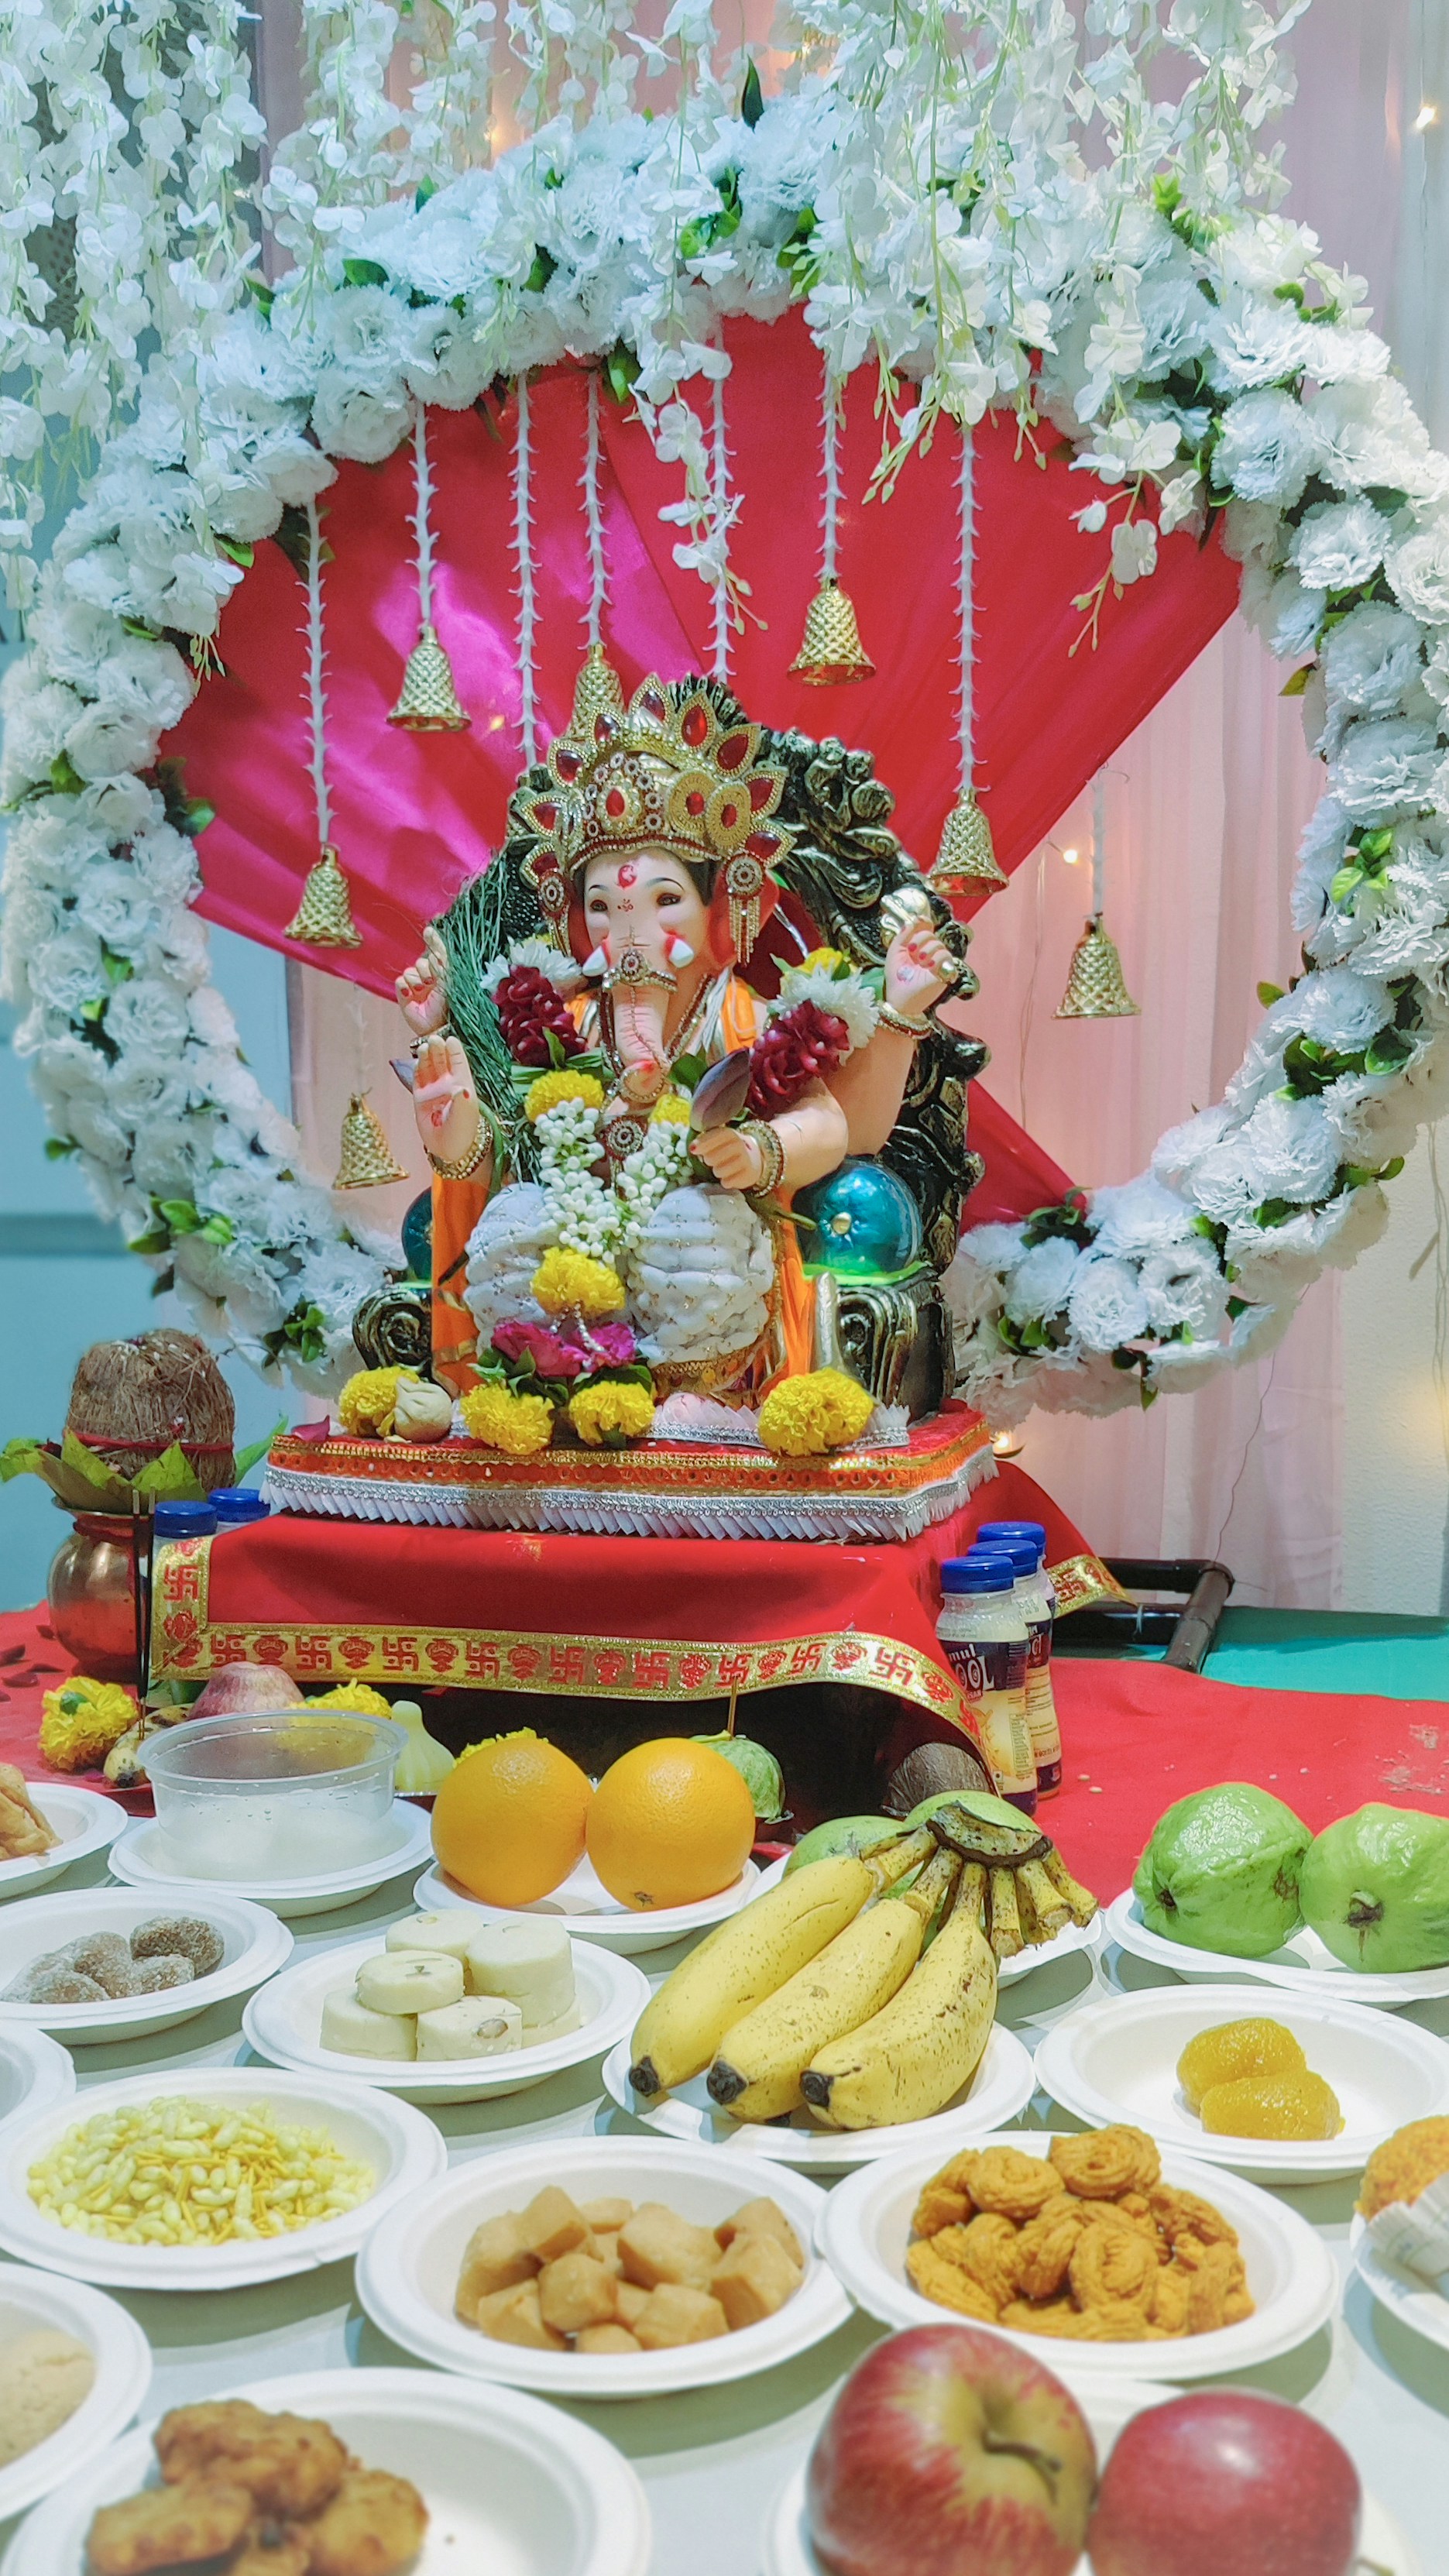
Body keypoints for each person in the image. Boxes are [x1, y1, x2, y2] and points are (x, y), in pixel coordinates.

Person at [396, 659, 958, 1395]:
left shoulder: (739, 1020)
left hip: (704, 1277)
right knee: (517, 1222)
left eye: (662, 899)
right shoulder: (562, 1022)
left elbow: (829, 1126)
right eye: (602, 907)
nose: (629, 930)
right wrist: (460, 1134)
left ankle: (687, 1406)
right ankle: (548, 1386)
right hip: (573, 1268)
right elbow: (513, 1155)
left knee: (696, 1228)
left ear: (718, 910)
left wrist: (761, 1148)